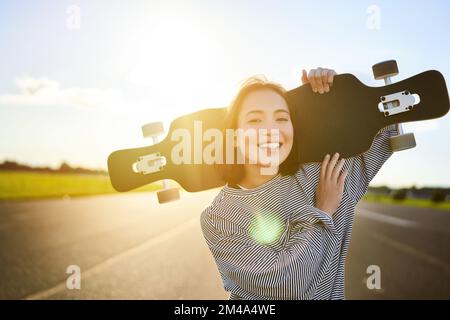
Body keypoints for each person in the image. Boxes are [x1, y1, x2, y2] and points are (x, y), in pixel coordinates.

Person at [200, 67, 396, 300]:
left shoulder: (324, 175)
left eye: (282, 118)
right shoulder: (219, 218)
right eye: (254, 119)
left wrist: (329, 99)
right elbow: (287, 285)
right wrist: (322, 211)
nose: (271, 130)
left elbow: (387, 127)